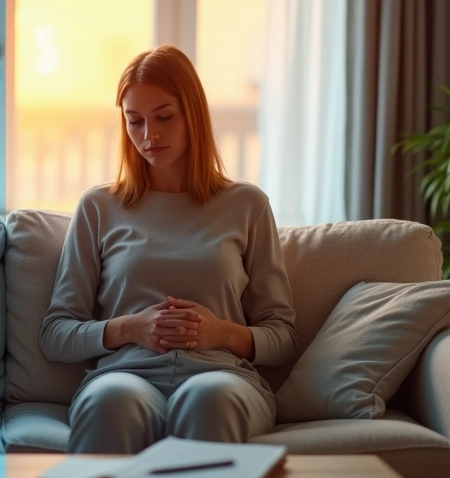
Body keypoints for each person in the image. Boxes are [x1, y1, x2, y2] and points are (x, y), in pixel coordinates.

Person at [40, 45, 298, 455]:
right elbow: (55, 334)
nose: (150, 135)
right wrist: (129, 328)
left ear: (193, 114)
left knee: (209, 399)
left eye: (164, 117)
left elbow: (283, 336)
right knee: (112, 402)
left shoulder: (247, 205)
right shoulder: (98, 207)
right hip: (124, 377)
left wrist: (221, 332)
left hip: (222, 378)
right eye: (135, 121)